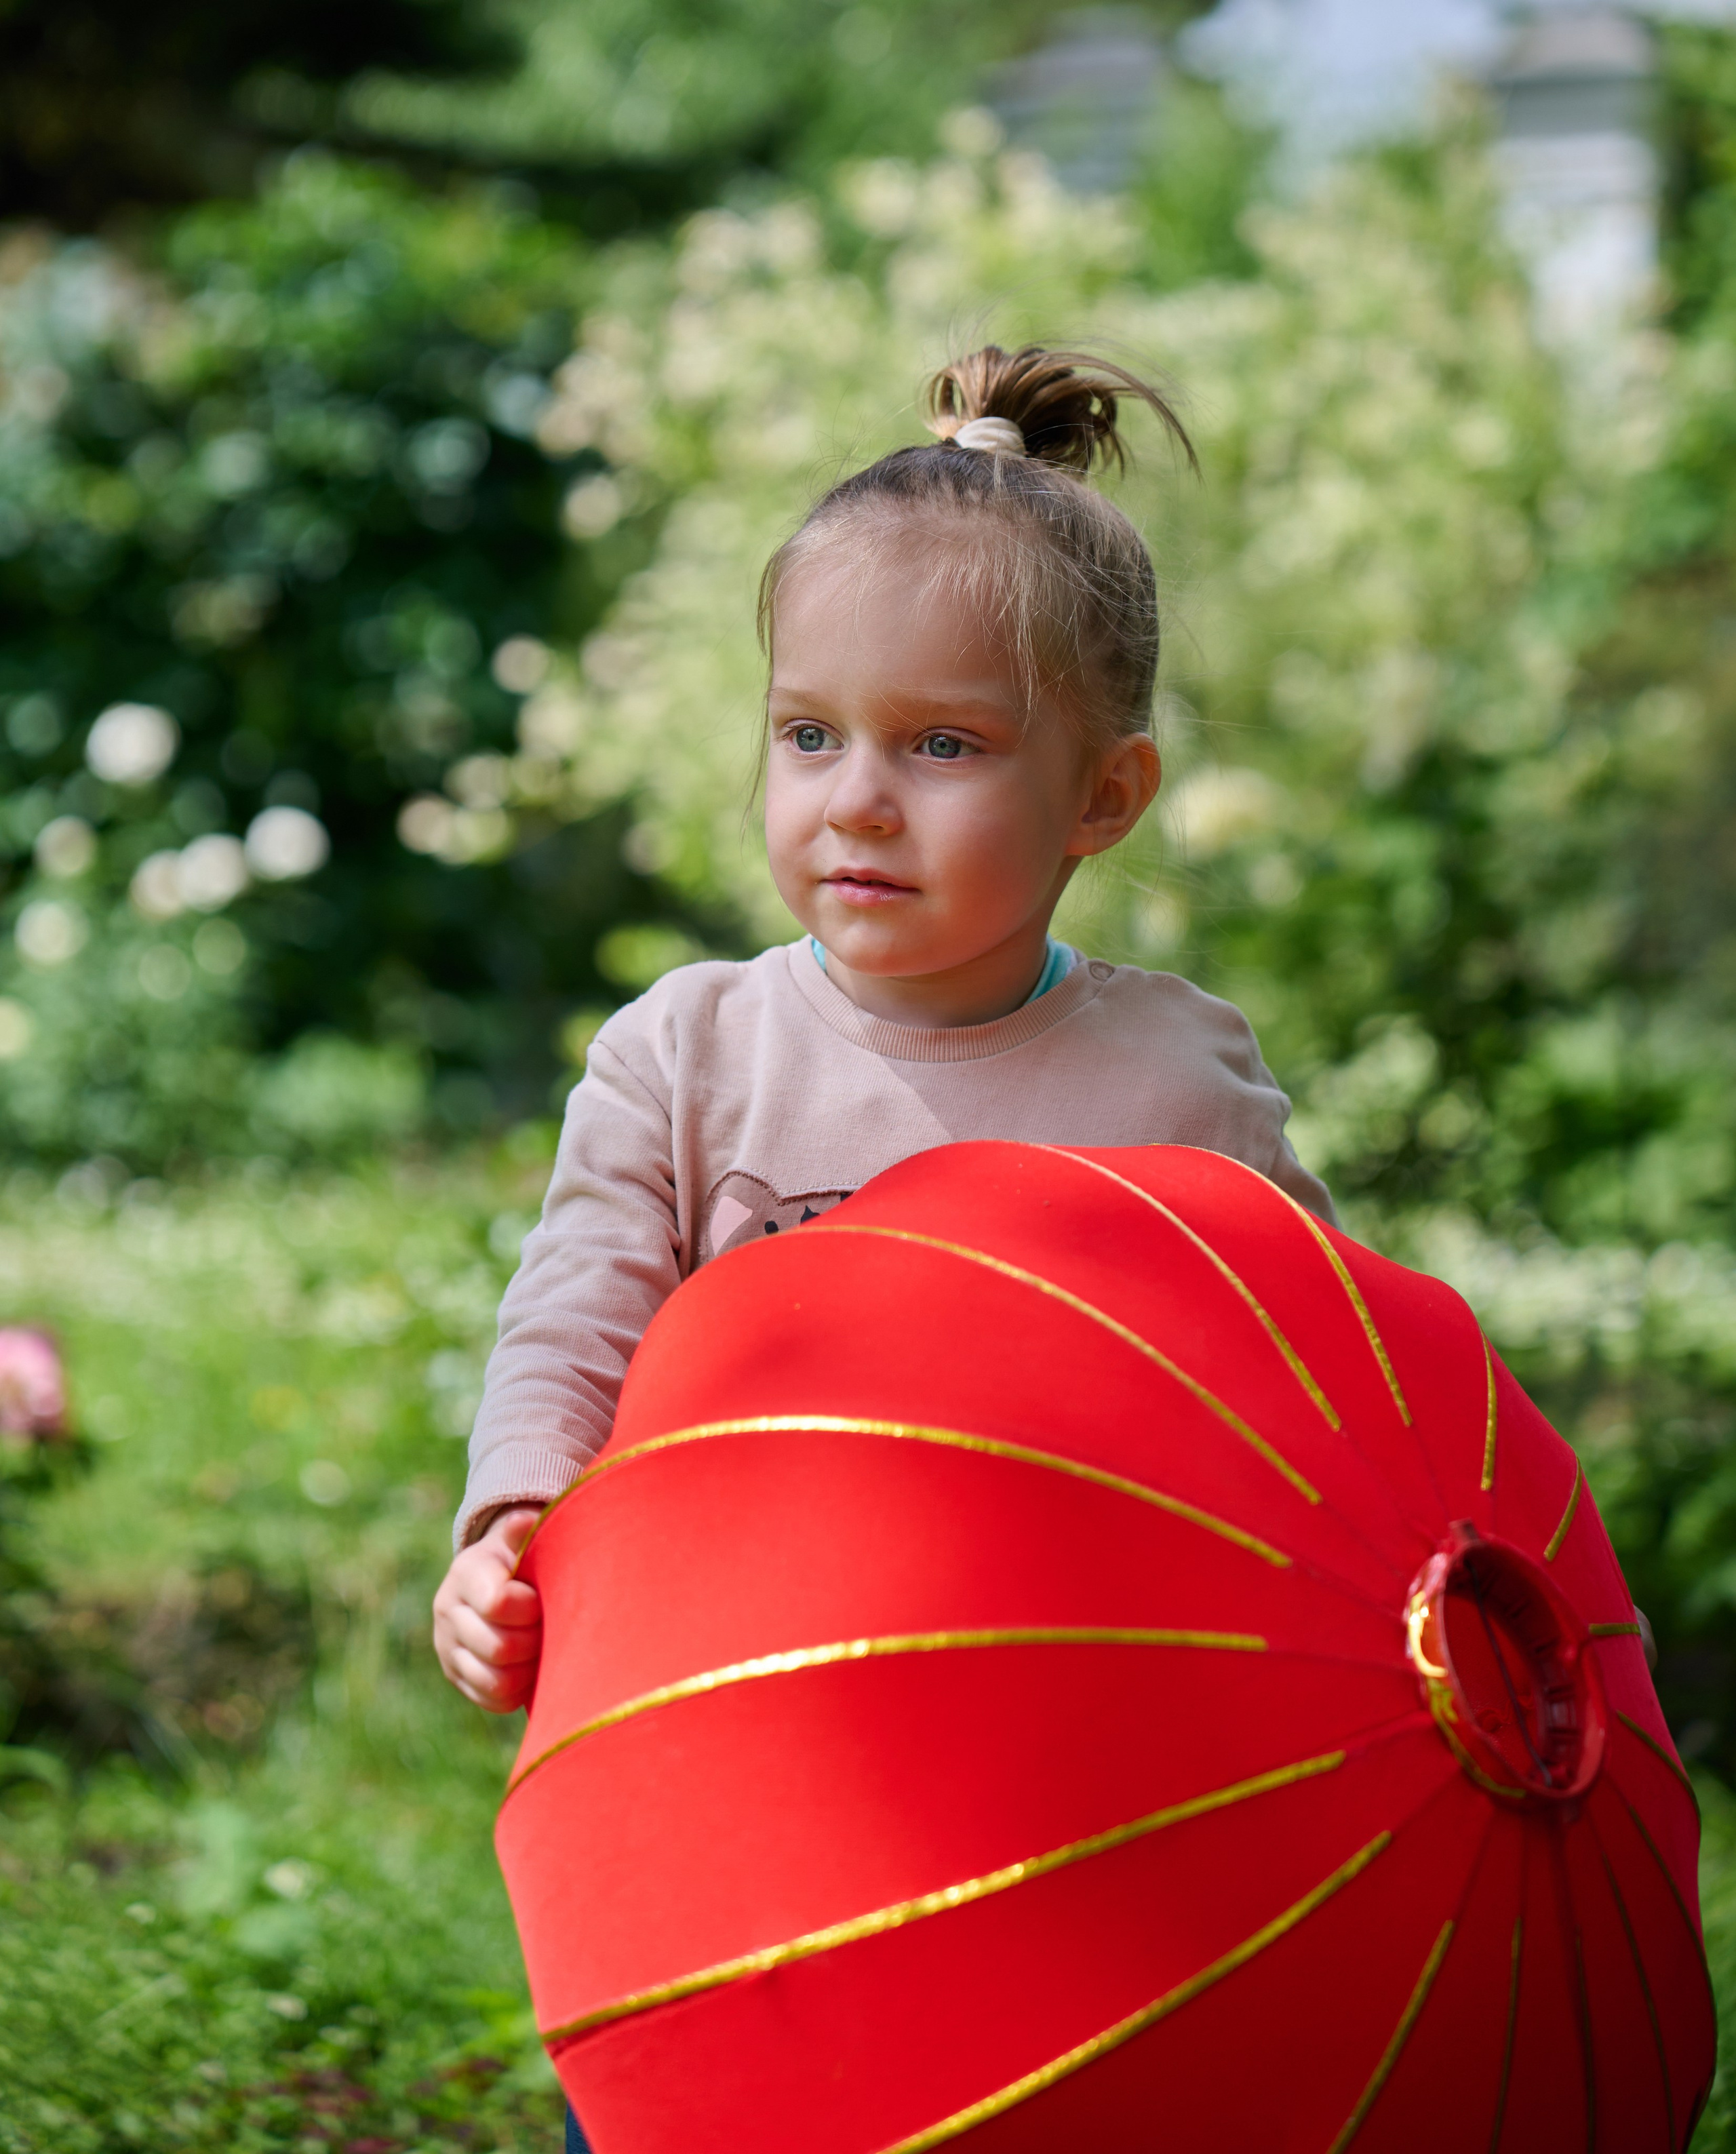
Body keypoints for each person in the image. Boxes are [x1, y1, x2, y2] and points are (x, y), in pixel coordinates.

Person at [431, 343, 1336, 2149]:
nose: (856, 795)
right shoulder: (693, 1054)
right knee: (717, 2058)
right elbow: (579, 1307)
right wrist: (517, 1513)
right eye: (809, 733)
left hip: (1056, 1730)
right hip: (741, 1708)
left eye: (944, 745)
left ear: (1105, 797)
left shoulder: (1173, 1081)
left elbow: (1316, 1391)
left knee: (1026, 2078)